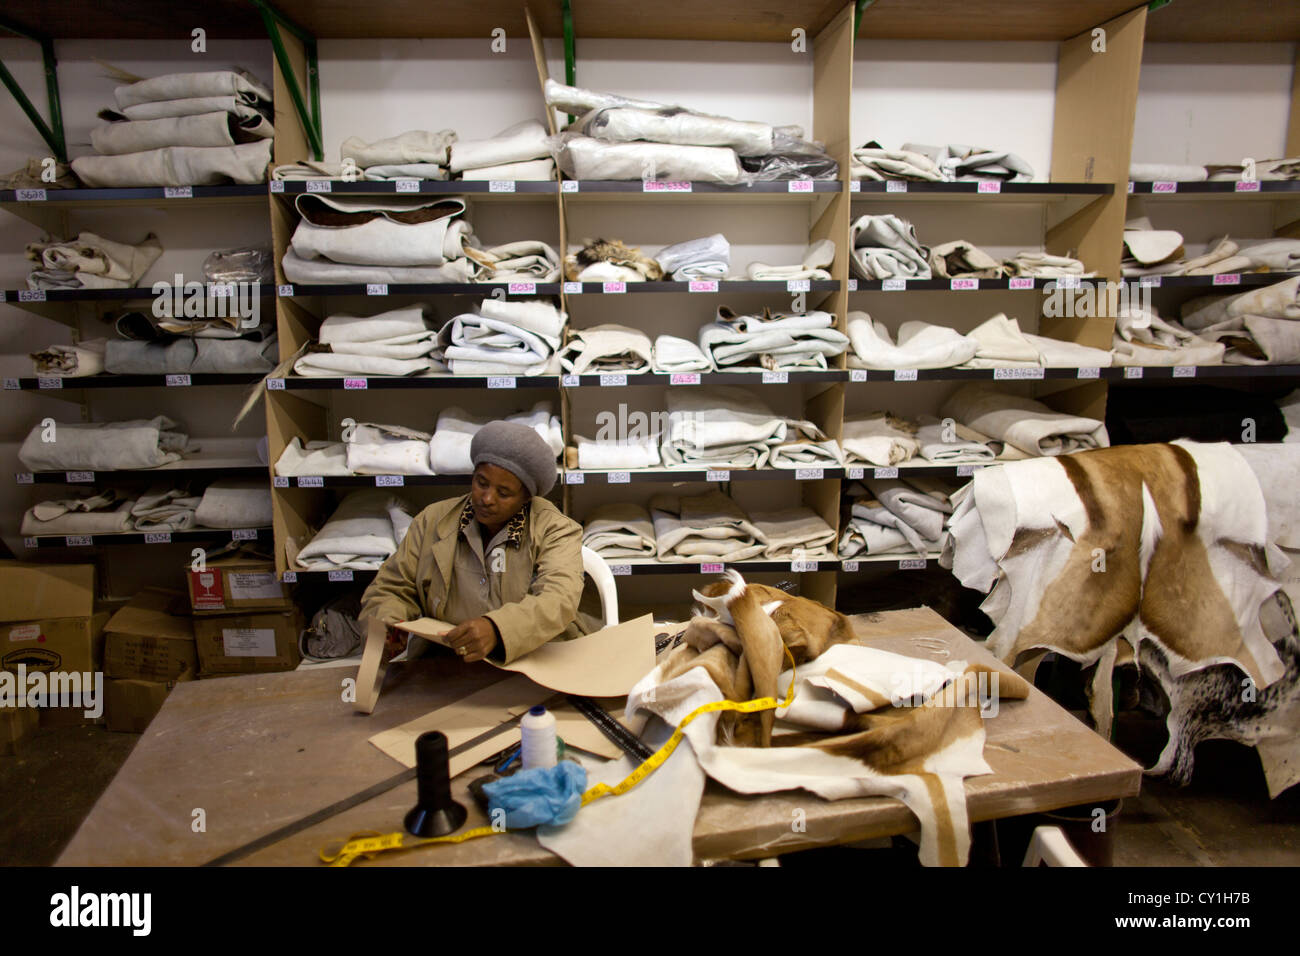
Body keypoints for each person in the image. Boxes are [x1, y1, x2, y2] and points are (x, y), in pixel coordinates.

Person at [359, 420, 593, 665]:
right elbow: (392, 587)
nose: (487, 498)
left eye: (504, 493)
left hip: (534, 660)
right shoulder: (432, 520)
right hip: (449, 663)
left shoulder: (555, 529)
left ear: (526, 498)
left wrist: (497, 628)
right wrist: (387, 624)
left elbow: (558, 598)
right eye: (481, 483)